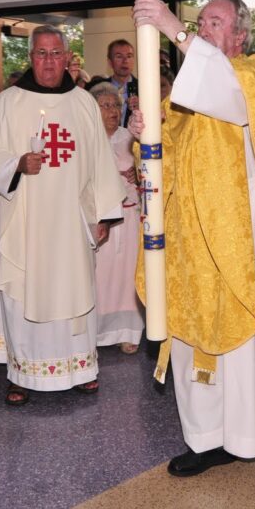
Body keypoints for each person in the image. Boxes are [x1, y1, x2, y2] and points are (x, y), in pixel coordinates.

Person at [131, 0, 255, 477]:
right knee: (193, 338)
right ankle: (206, 437)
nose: (202, 29)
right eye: (200, 22)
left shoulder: (254, 74)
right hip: (192, 243)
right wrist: (146, 135)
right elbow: (165, 164)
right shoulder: (187, 91)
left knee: (248, 345)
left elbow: (228, 93)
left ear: (240, 36)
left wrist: (171, 27)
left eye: (213, 23)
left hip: (243, 240)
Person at [0, 25, 125, 406]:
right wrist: (16, 164)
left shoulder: (82, 103)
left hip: (71, 221)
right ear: (30, 58)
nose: (48, 61)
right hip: (24, 220)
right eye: (40, 54)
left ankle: (79, 370)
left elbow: (100, 162)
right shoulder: (7, 103)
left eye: (55, 53)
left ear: (67, 56)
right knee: (24, 292)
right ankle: (23, 374)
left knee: (73, 290)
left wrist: (103, 215)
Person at [90, 82, 144, 353]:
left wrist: (139, 172)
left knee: (127, 274)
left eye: (117, 105)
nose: (113, 110)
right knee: (102, 274)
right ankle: (96, 333)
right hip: (102, 217)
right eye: (106, 105)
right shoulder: (88, 138)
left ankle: (128, 331)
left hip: (130, 215)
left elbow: (150, 167)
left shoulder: (130, 137)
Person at [107, 39, 137, 126]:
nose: (125, 61)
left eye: (129, 56)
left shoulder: (144, 89)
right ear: (110, 62)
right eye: (119, 56)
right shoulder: (99, 88)